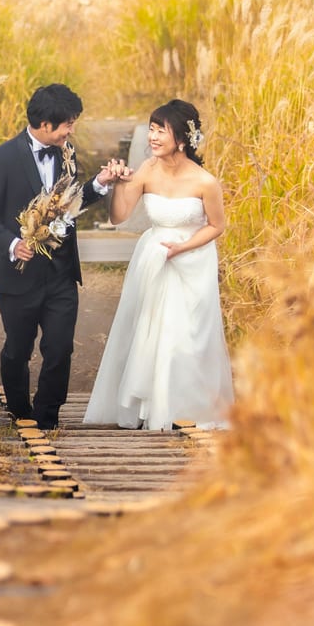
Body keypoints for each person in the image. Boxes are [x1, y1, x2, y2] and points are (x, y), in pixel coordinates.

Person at [0, 83, 121, 430]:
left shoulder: (66, 154)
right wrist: (13, 245)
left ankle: (48, 415)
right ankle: (19, 411)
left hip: (60, 273)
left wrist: (99, 184)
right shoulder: (0, 159)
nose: (71, 131)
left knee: (59, 348)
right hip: (17, 275)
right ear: (44, 124)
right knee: (18, 349)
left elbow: (69, 206)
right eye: (67, 124)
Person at [83, 99, 234, 430]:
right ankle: (149, 408)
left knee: (187, 335)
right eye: (151, 129)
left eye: (160, 130)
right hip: (153, 257)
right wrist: (119, 182)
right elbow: (119, 217)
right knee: (151, 330)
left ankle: (185, 407)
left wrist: (182, 247)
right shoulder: (147, 170)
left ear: (181, 138)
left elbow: (216, 225)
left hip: (191, 260)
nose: (152, 137)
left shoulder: (205, 182)